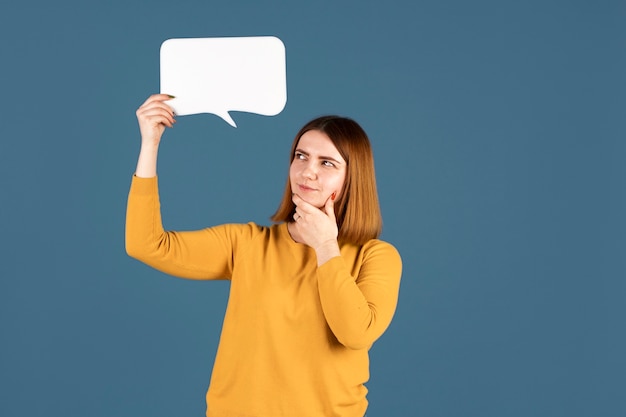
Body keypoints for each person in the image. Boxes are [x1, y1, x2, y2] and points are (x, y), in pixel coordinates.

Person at [126, 94, 402, 417]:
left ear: (353, 178)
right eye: (301, 156)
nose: (307, 171)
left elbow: (356, 333)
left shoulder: (376, 257)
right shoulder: (248, 244)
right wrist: (150, 144)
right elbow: (146, 244)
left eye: (327, 163)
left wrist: (327, 247)